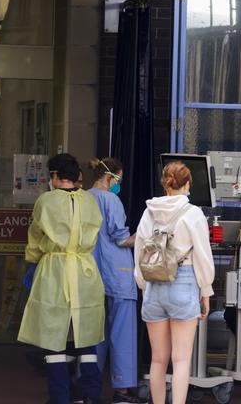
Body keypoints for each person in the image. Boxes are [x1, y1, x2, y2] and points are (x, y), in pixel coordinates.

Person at [19, 153, 105, 404]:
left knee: (53, 334)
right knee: (85, 333)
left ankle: (60, 395)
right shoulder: (90, 200)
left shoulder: (46, 201)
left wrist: (32, 262)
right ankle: (90, 392)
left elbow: (35, 236)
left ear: (55, 176)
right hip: (85, 269)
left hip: (54, 268)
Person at [134, 162, 215, 404]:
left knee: (158, 359)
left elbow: (139, 252)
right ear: (188, 184)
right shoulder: (193, 213)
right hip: (184, 282)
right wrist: (206, 292)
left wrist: (144, 285)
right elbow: (203, 255)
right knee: (181, 360)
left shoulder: (149, 211)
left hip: (153, 287)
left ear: (165, 183)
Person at [88, 158, 146, 404]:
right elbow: (121, 238)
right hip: (117, 272)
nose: (119, 185)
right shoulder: (111, 200)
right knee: (122, 333)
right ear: (110, 178)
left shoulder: (83, 198)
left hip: (91, 274)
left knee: (93, 333)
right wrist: (145, 235)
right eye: (119, 181)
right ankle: (122, 390)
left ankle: (89, 387)